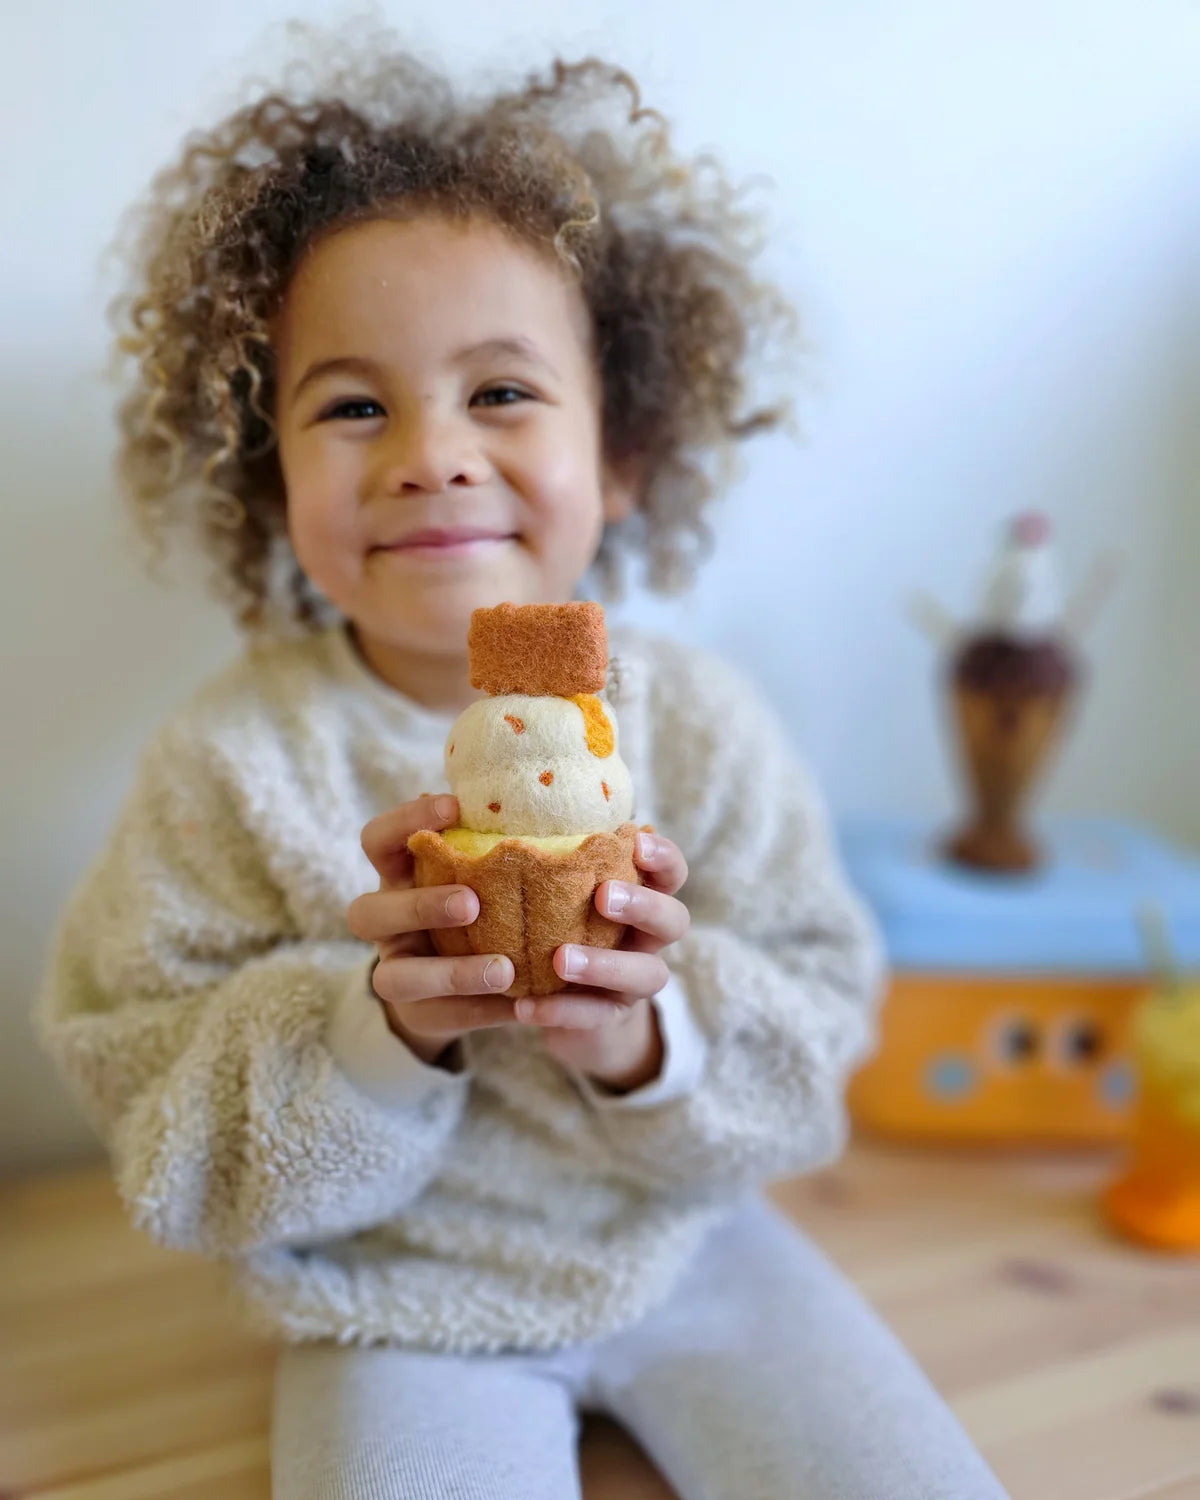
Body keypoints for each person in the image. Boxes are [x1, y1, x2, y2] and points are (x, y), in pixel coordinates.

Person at [35, 21, 1010, 1499]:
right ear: (271, 480)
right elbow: (151, 1093)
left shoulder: (697, 723)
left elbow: (817, 1022)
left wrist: (643, 1035)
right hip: (392, 1301)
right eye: (353, 404)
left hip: (695, 1248)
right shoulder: (233, 763)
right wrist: (378, 1029)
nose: (429, 451)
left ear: (620, 455)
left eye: (500, 391)